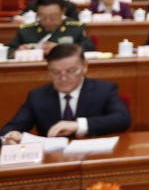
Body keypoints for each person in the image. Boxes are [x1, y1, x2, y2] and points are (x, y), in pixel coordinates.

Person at [1, 43, 131, 143]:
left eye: (71, 71)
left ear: (84, 67)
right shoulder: (37, 96)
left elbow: (122, 119)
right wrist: (12, 136)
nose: (63, 78)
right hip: (52, 163)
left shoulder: (104, 90)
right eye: (56, 72)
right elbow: (11, 128)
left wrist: (78, 125)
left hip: (94, 159)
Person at [8, 0, 95, 54]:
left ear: (63, 12)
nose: (48, 20)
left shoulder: (75, 29)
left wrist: (62, 49)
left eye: (53, 16)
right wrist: (19, 51)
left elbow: (89, 47)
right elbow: (9, 51)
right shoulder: (26, 31)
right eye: (43, 16)